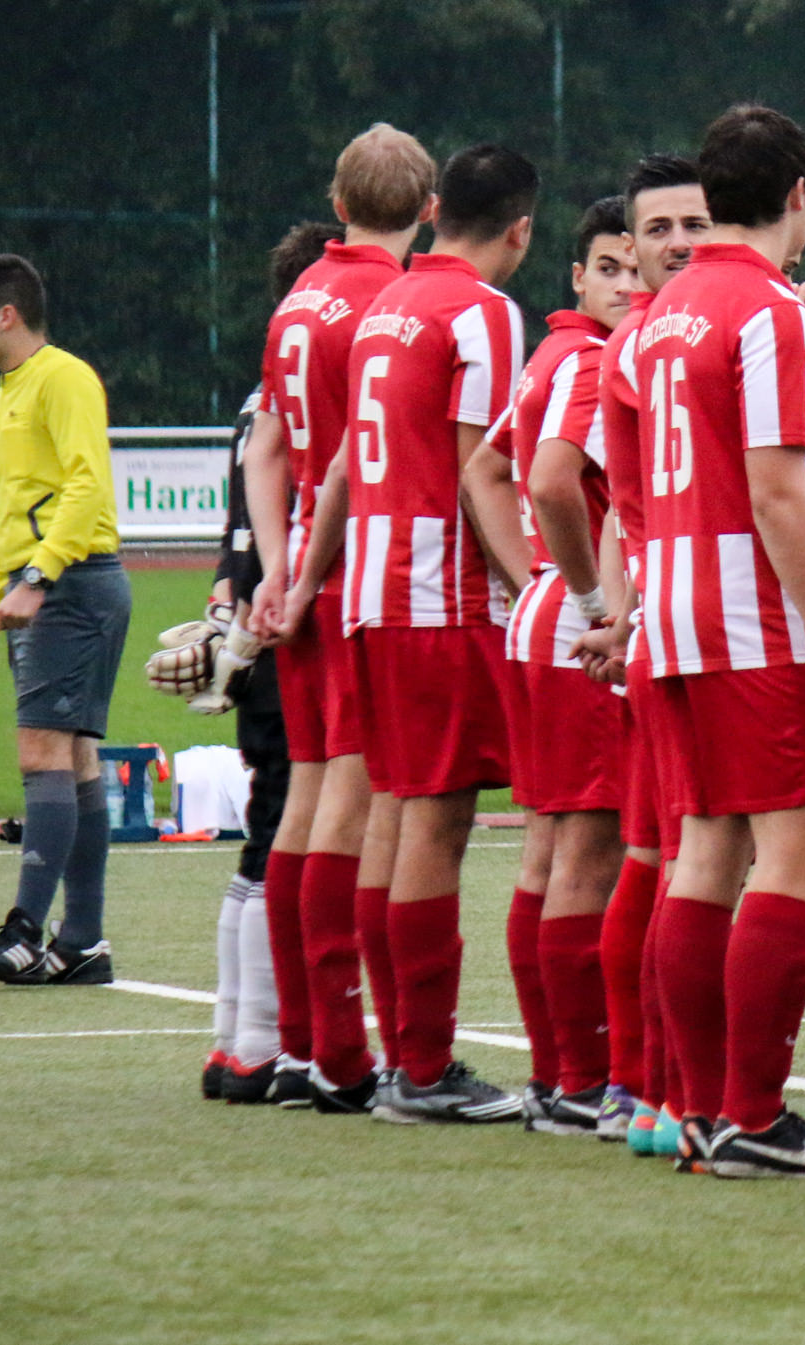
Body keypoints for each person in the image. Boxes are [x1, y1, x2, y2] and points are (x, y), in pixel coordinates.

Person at [627, 105, 805, 1178]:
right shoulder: (766, 309)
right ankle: (753, 1116)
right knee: (796, 852)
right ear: (800, 194)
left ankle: (696, 1106)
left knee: (706, 853)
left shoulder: (661, 311)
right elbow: (776, 490)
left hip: (673, 609)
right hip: (752, 619)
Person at [289, 143, 538, 1123]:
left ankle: (401, 1056)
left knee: (392, 817)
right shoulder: (481, 312)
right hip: (437, 600)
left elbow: (345, 466)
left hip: (369, 596)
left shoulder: (388, 303)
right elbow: (483, 473)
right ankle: (425, 1068)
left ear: (438, 213)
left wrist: (304, 582)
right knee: (435, 821)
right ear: (520, 229)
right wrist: (539, 590)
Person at [242, 124, 437, 1113]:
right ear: (429, 209)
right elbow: (360, 462)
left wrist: (279, 571)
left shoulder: (300, 297)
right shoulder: (387, 302)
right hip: (364, 574)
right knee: (351, 810)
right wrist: (314, 571)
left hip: (310, 576)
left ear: (338, 199)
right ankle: (340, 1053)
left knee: (306, 802)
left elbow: (265, 446)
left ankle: (298, 1043)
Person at [460, 197, 640, 1133]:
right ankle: (578, 1077)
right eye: (609, 266)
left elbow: (484, 470)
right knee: (589, 855)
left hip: (541, 619)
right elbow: (546, 479)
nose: (628, 282)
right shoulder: (598, 360)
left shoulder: (552, 352)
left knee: (549, 852)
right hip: (580, 632)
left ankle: (553, 1073)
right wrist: (590, 595)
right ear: (577, 275)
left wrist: (532, 575)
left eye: (635, 266)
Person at [174, 220, 337, 1103]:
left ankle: (236, 1039)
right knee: (285, 832)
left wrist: (222, 603)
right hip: (294, 625)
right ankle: (258, 1045)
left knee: (268, 830)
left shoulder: (262, 395)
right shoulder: (301, 395)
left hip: (259, 621)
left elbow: (238, 522)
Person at [577, 154, 713, 1151]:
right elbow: (609, 505)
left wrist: (620, 613)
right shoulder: (638, 344)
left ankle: (653, 1089)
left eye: (693, 223)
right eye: (658, 229)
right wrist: (610, 610)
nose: (677, 243)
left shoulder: (650, 339)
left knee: (664, 856)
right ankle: (664, 1090)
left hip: (673, 625)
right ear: (629, 247)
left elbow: (620, 511)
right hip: (704, 630)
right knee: (685, 857)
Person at [0, 251, 132, 987]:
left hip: (73, 587)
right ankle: (81, 942)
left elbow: (89, 487)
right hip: (51, 587)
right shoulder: (4, 395)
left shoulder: (64, 377)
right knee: (75, 759)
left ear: (7, 314)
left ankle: (26, 932)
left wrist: (38, 577)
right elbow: (9, 518)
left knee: (41, 751)